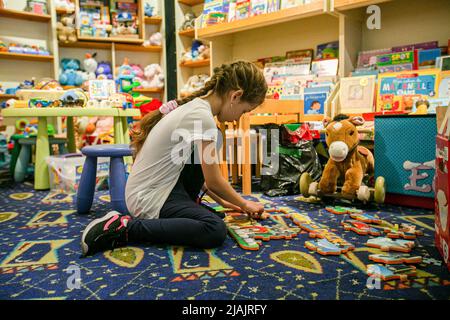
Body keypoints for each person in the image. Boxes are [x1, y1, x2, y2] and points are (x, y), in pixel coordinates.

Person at [81, 61, 268, 256]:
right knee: (214, 229)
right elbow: (214, 181)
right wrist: (245, 204)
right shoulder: (202, 118)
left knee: (212, 210)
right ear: (235, 96)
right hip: (149, 197)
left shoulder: (197, 109)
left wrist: (228, 203)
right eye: (244, 111)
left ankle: (188, 206)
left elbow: (199, 172)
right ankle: (124, 226)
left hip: (158, 189)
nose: (238, 118)